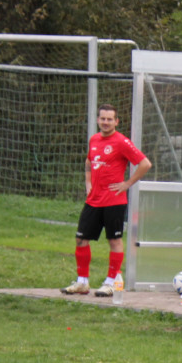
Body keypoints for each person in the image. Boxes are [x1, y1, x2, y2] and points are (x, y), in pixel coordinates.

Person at [61, 104, 150, 297]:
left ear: (116, 121)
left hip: (114, 201)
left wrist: (127, 184)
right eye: (103, 118)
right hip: (93, 200)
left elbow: (145, 163)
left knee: (114, 240)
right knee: (81, 239)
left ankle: (111, 282)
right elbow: (88, 160)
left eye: (110, 119)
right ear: (97, 119)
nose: (106, 122)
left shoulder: (122, 142)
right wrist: (88, 182)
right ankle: (82, 282)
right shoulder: (94, 139)